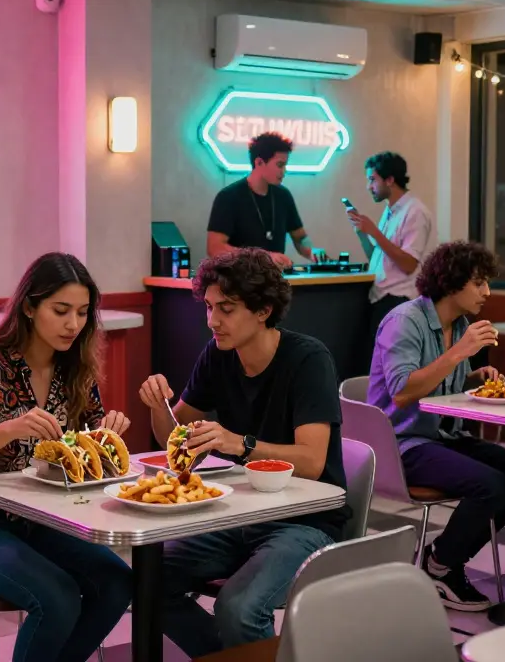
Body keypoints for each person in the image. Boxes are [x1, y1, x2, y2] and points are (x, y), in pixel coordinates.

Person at [139, 248, 348, 657]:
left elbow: (312, 461)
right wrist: (156, 406)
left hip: (306, 521)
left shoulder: (308, 359)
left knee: (237, 608)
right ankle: (227, 655)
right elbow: (175, 438)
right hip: (240, 513)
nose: (213, 320)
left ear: (263, 311)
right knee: (147, 582)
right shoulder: (217, 356)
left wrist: (240, 444)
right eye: (210, 307)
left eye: (227, 309)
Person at [0, 253, 133, 662]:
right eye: (61, 311)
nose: (73, 325)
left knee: (117, 583)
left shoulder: (74, 369)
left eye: (81, 313)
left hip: (44, 524)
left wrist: (107, 437)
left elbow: (89, 451)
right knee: (57, 598)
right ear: (29, 307)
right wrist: (11, 427)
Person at [368, 241, 505, 611]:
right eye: (479, 283)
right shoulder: (405, 321)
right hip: (402, 443)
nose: (487, 293)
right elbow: (402, 392)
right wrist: (460, 353)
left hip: (444, 436)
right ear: (451, 283)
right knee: (491, 486)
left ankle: (442, 556)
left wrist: (473, 378)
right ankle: (442, 565)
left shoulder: (458, 325)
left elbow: (441, 387)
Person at [346, 151, 436, 368]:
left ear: (390, 179)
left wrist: (375, 232)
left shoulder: (415, 212)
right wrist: (362, 232)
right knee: (371, 366)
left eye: (372, 180)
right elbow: (377, 258)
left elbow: (408, 264)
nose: (369, 187)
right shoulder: (391, 211)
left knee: (391, 369)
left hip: (399, 300)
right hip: (380, 297)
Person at [206, 132, 324, 268]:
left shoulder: (283, 196)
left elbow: (300, 238)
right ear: (259, 162)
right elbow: (215, 248)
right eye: (280, 165)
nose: (284, 171)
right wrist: (263, 258)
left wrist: (313, 252)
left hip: (275, 282)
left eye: (285, 165)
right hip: (239, 282)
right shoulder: (229, 197)